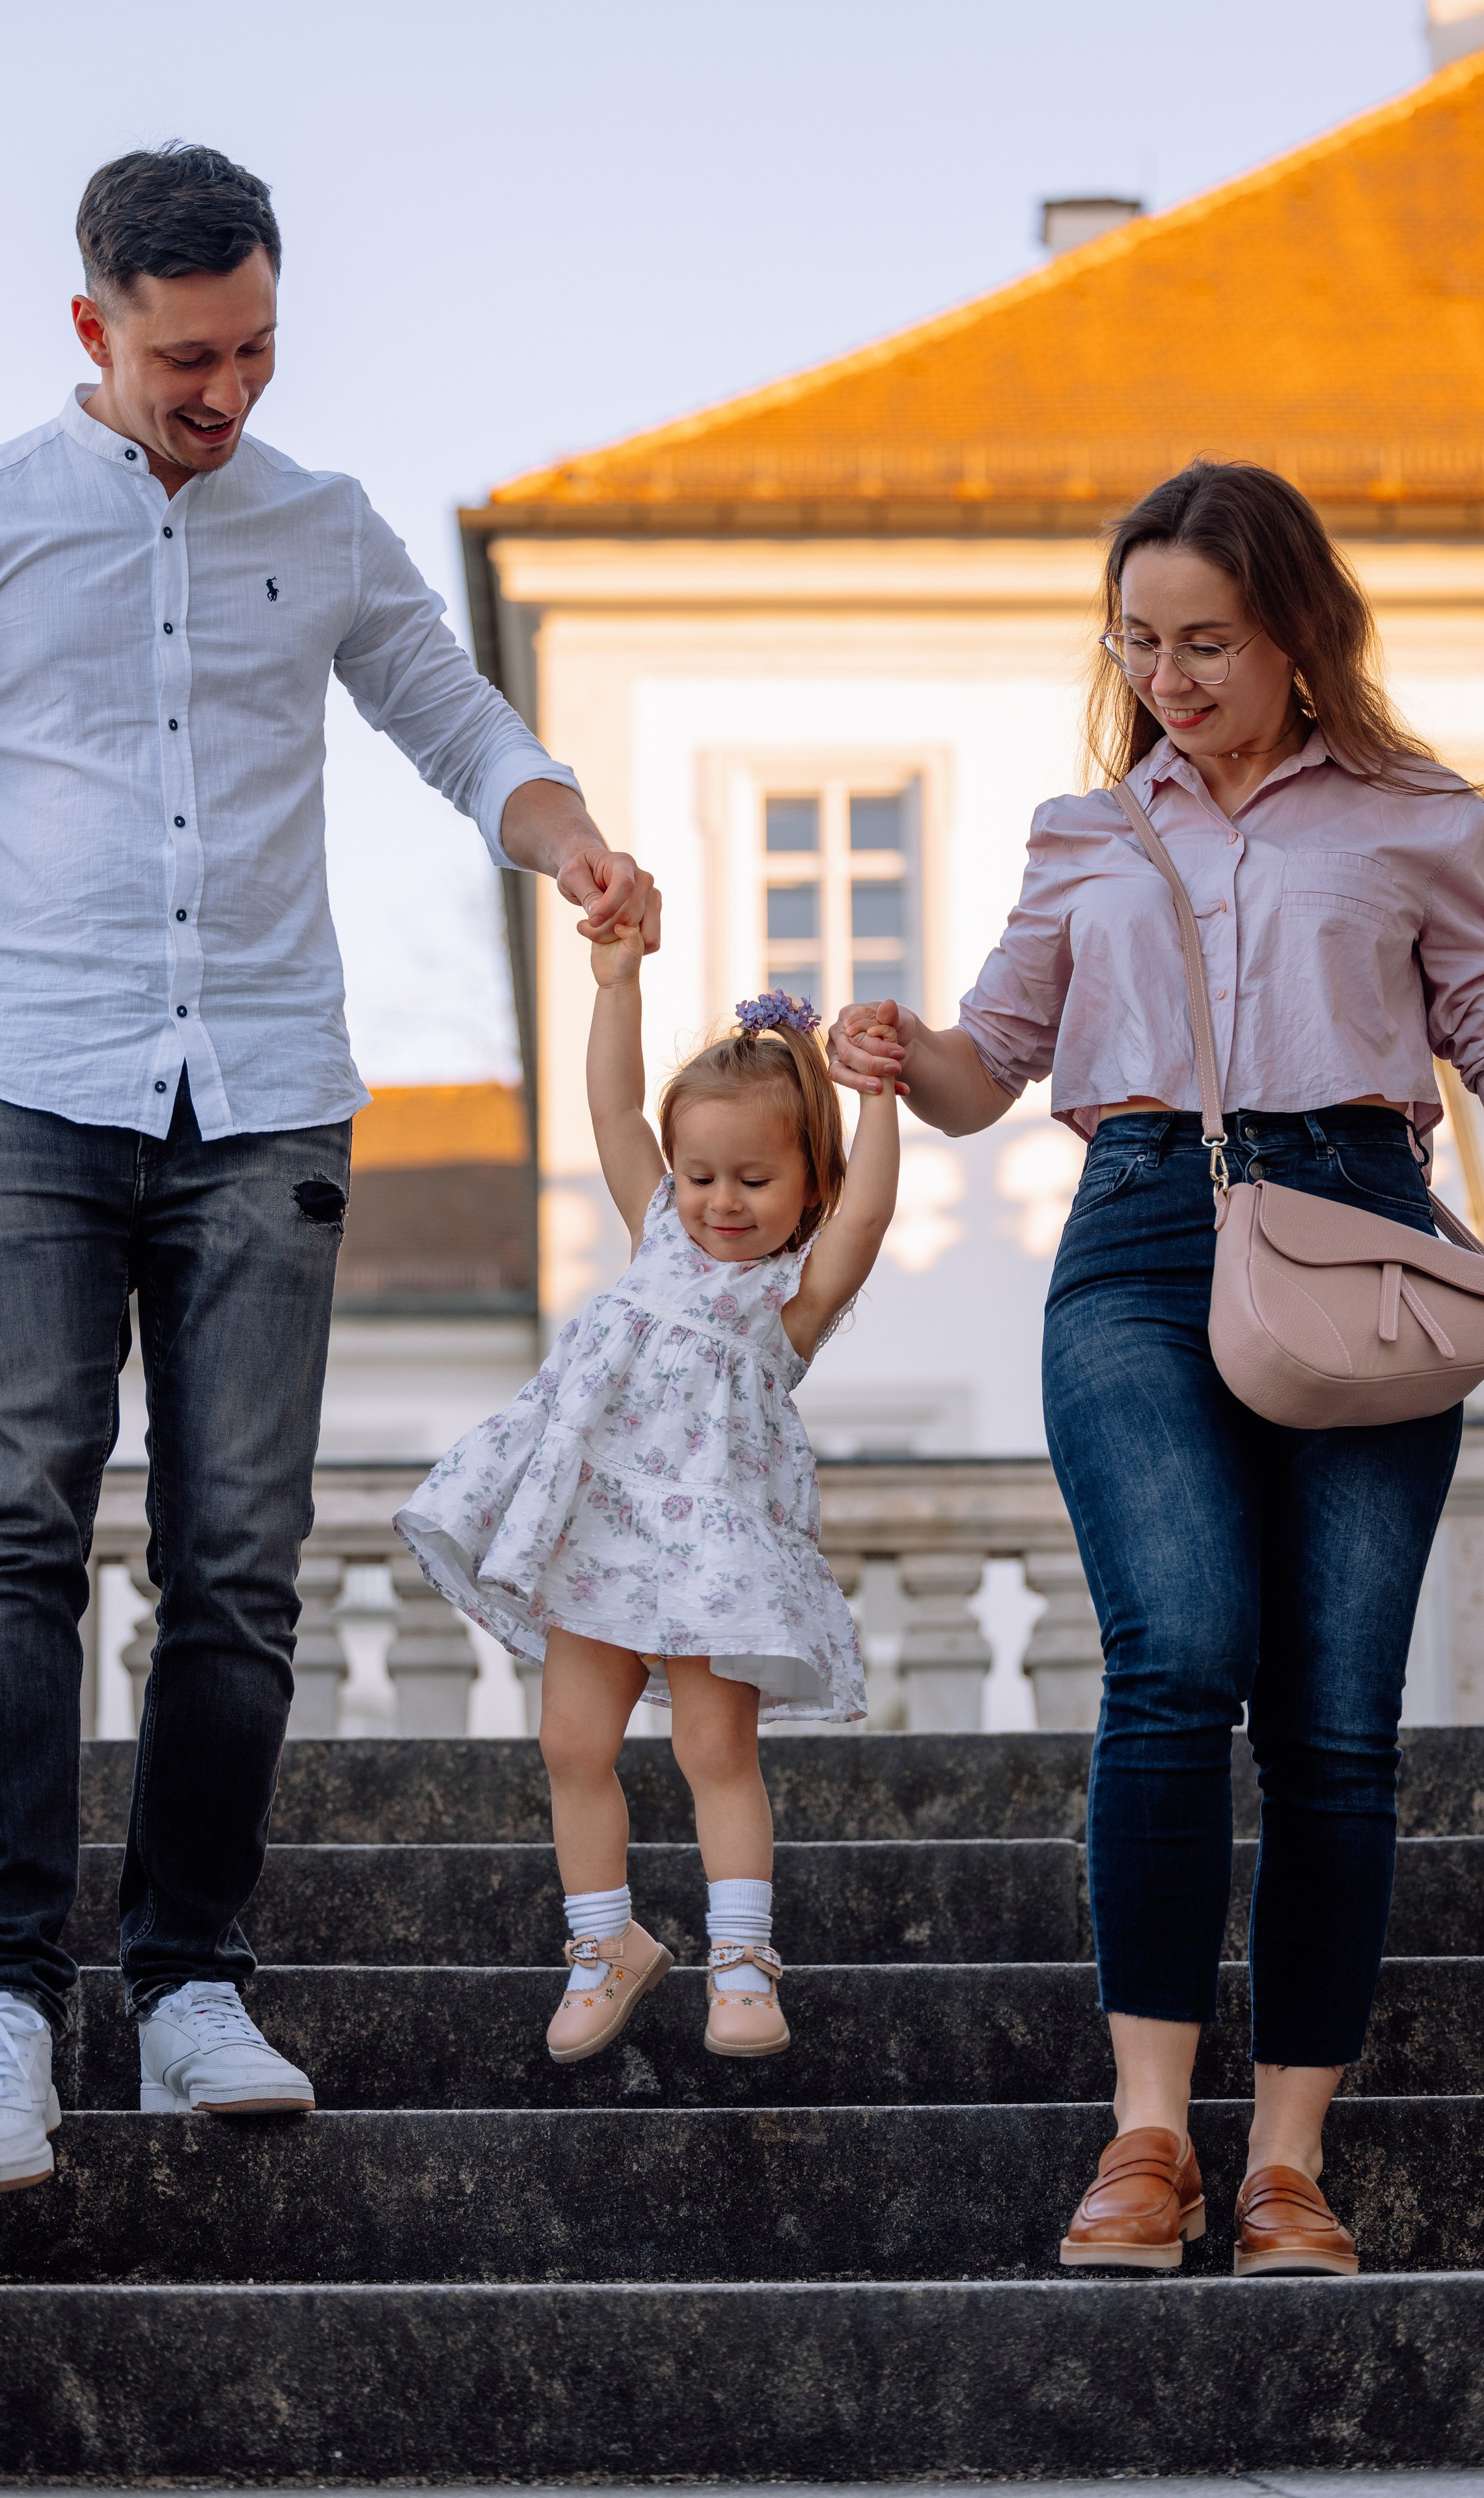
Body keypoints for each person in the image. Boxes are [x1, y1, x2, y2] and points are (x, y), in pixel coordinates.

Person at [0, 143, 659, 2199]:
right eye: (191, 355)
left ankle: (190, 1978)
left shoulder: (323, 523)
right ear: (94, 327)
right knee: (13, 1522)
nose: (230, 389)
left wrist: (568, 839)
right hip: (21, 1084)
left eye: (259, 344)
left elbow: (457, 720)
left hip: (267, 1089)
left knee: (238, 1560)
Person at [828, 458, 1484, 2277]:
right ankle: (1145, 2142)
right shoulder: (1087, 832)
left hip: (1361, 1226)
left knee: (1342, 1716)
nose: (1171, 674)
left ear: (1299, 638)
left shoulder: (1430, 817)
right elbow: (990, 1072)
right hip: (1137, 1234)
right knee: (1177, 1654)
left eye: (1208, 640)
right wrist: (907, 1051)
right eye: (1141, 640)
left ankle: (1286, 2161)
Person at [397, 944, 899, 2061]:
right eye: (702, 1174)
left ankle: (741, 1960)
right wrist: (616, 985)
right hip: (599, 1538)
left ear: (808, 1182)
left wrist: (877, 1103)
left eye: (755, 1181)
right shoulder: (655, 1233)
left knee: (716, 1752)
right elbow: (616, 1106)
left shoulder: (787, 1303)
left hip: (712, 1558)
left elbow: (865, 1222)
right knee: (572, 1743)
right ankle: (603, 1942)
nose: (721, 1200)